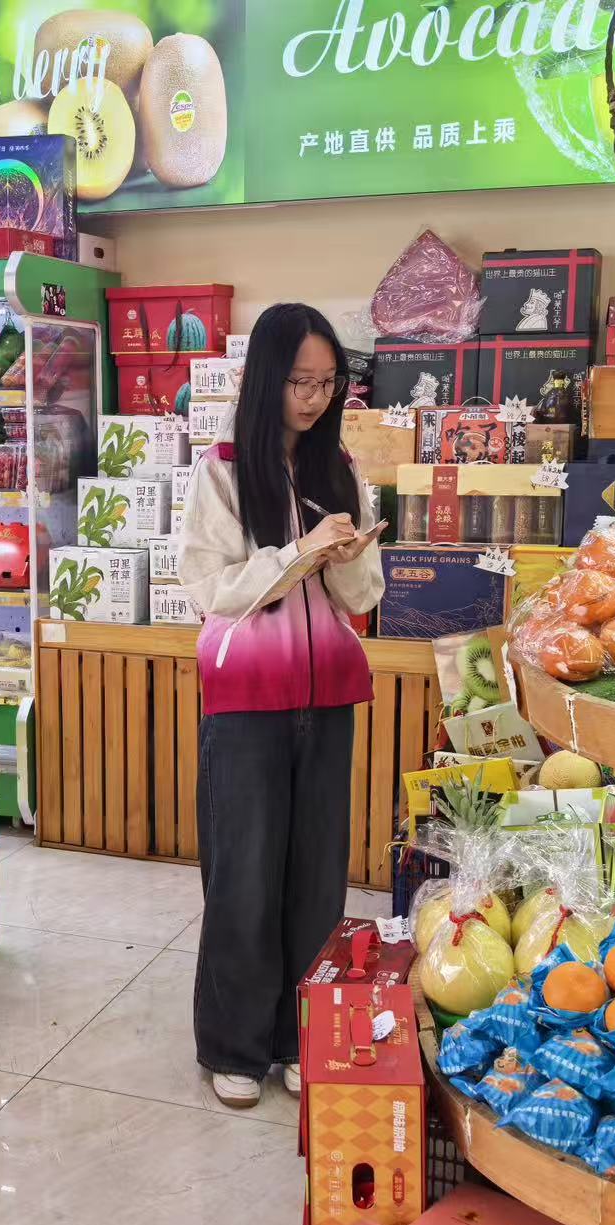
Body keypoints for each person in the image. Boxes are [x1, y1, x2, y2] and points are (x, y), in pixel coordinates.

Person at [176, 302, 385, 1109]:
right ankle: (233, 1044)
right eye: (300, 381)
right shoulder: (223, 470)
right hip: (247, 698)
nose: (314, 398)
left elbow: (360, 598)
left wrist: (348, 557)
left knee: (317, 874)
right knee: (245, 872)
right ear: (267, 379)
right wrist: (298, 553)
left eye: (328, 383)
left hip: (328, 693)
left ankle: (302, 1036)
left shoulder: (342, 470)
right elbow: (213, 590)